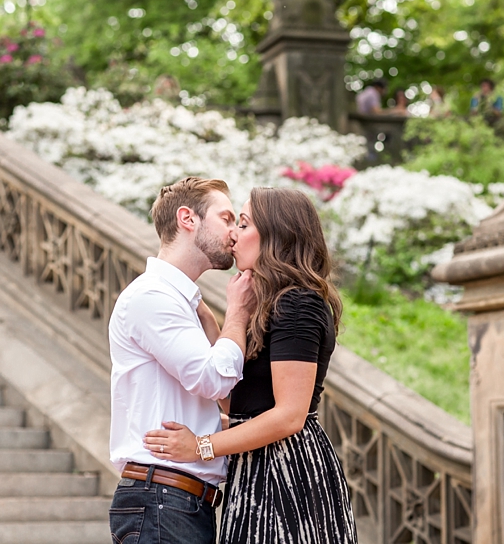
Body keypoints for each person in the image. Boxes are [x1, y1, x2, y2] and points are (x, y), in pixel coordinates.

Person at [144, 187, 358, 543]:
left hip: (287, 472)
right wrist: (222, 322)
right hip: (254, 470)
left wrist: (202, 446)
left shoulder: (298, 305)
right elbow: (239, 405)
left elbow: (289, 416)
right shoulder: (269, 306)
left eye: (242, 224)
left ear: (276, 235)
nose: (233, 235)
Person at [108, 177, 256, 544]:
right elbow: (212, 380)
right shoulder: (153, 296)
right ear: (187, 219)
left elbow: (219, 397)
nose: (234, 232)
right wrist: (237, 313)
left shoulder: (183, 304)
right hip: (162, 501)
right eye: (226, 218)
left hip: (176, 503)